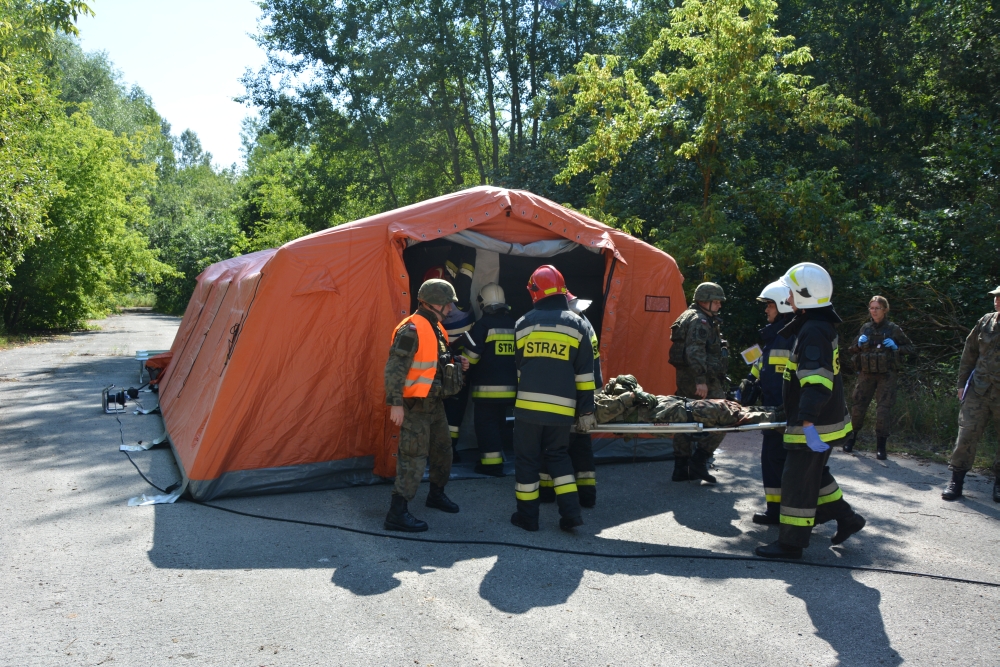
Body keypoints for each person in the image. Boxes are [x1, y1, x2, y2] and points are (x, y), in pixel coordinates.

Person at [756, 262, 866, 560]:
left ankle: (791, 544)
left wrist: (806, 424)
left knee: (796, 481)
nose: (787, 298)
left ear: (804, 296)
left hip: (814, 424)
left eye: (791, 292)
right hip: (821, 420)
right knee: (813, 476)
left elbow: (816, 383)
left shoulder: (814, 330)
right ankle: (848, 518)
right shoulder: (815, 325)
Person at [510, 265, 596, 532]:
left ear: (535, 291)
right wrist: (586, 411)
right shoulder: (579, 325)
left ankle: (528, 518)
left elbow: (519, 369)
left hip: (527, 410)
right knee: (559, 458)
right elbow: (585, 375)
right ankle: (571, 515)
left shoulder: (523, 324)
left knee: (527, 461)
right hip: (562, 411)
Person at [383, 279, 469, 532]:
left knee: (444, 450)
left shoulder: (435, 328)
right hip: (414, 405)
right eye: (447, 303)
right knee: (413, 458)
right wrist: (395, 404)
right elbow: (394, 368)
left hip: (434, 404)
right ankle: (396, 513)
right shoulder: (411, 329)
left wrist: (457, 361)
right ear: (432, 303)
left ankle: (436, 494)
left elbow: (436, 360)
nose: (451, 308)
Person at [738, 280, 796, 524]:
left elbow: (780, 378)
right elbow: (762, 368)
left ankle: (787, 512)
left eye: (769, 305)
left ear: (782, 306)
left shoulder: (788, 337)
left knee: (779, 462)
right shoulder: (775, 336)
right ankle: (775, 511)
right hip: (773, 413)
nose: (766, 310)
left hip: (783, 414)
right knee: (771, 461)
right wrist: (744, 390)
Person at [542, 291, 603, 508]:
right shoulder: (585, 323)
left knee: (554, 445)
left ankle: (547, 493)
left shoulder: (573, 326)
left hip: (572, 394)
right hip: (588, 392)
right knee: (582, 445)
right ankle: (587, 495)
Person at [942, 285, 1000, 503]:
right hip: (979, 389)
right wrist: (961, 383)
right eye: (995, 298)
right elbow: (969, 353)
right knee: (966, 435)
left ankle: (999, 484)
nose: (997, 301)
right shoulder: (986, 321)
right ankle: (956, 481)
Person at [668, 282, 730, 484]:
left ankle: (681, 468)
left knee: (685, 418)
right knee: (724, 415)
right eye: (717, 302)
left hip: (687, 379)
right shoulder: (700, 321)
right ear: (705, 301)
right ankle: (699, 459)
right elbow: (695, 351)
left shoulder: (688, 315)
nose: (719, 305)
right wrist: (701, 380)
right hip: (702, 381)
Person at [844, 295, 916, 459]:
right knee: (858, 407)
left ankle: (881, 447)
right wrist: (859, 344)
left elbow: (911, 348)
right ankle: (850, 440)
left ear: (885, 310)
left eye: (877, 308)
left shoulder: (893, 329)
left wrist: (896, 347)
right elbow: (851, 349)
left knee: (883, 410)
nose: (874, 311)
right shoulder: (865, 328)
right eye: (871, 308)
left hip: (886, 375)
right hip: (866, 374)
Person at [427, 245, 478, 462]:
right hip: (457, 366)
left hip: (447, 366)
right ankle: (449, 450)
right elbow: (466, 275)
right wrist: (469, 247)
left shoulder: (425, 313)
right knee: (454, 411)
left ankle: (444, 450)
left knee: (447, 411)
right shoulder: (461, 301)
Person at [464, 282, 517, 477]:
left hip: (486, 392)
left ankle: (491, 465)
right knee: (503, 424)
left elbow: (469, 359)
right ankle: (503, 456)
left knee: (486, 426)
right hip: (513, 390)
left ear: (482, 303)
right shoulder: (515, 324)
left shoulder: (482, 326)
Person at [594, 374, 781, 427]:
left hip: (675, 405)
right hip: (674, 413)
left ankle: (776, 410)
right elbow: (602, 414)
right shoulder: (591, 408)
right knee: (725, 411)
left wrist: (630, 386)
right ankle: (778, 414)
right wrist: (633, 396)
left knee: (729, 406)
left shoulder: (600, 396)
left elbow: (623, 380)